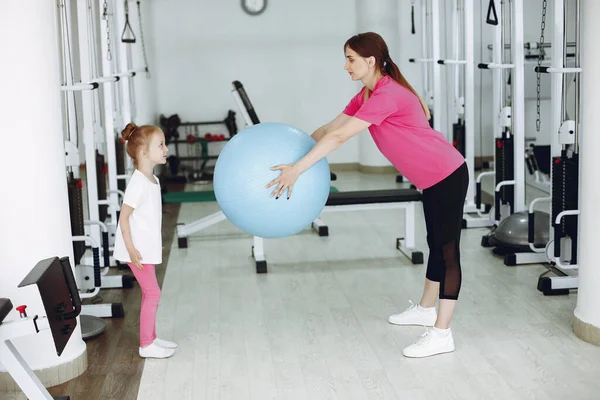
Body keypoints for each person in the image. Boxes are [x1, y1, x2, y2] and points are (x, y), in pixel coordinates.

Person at [267, 32, 469, 358]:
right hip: (431, 180)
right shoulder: (366, 95)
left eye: (350, 58)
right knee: (436, 242)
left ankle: (443, 333)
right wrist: (292, 152)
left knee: (447, 250)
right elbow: (329, 130)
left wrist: (298, 170)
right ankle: (425, 309)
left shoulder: (387, 95)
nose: (345, 65)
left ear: (370, 61)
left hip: (446, 174)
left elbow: (341, 138)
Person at [113, 122, 178, 359]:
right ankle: (146, 344)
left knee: (152, 293)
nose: (166, 149)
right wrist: (131, 249)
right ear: (143, 152)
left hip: (143, 247)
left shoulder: (152, 180)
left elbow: (147, 219)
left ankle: (151, 338)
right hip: (135, 251)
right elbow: (124, 217)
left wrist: (152, 243)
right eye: (160, 145)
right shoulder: (138, 183)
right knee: (152, 293)